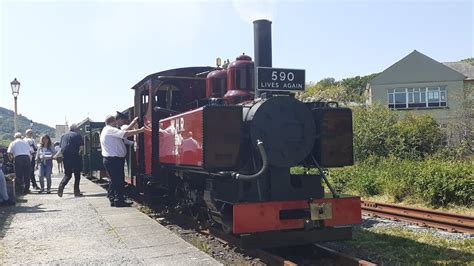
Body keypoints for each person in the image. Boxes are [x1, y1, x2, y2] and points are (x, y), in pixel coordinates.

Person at [100, 115, 143, 207]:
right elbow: (125, 134)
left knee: (114, 180)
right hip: (113, 160)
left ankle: (113, 198)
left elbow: (124, 131)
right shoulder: (110, 130)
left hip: (111, 159)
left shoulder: (107, 130)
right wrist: (141, 130)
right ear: (112, 122)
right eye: (115, 122)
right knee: (118, 181)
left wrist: (133, 122)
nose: (117, 123)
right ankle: (119, 201)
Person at [57, 124, 84, 197]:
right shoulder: (77, 135)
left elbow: (61, 148)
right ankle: (76, 192)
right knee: (77, 175)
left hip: (66, 157)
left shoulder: (63, 136)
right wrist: (80, 154)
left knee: (68, 174)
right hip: (75, 157)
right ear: (76, 129)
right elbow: (81, 147)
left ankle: (61, 186)